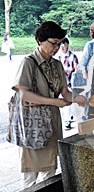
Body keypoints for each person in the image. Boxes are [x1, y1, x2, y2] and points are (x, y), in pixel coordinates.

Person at [12, 21, 87, 189]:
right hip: (32, 126)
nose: (57, 47)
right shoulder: (28, 63)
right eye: (53, 43)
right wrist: (54, 102)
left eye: (59, 43)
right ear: (40, 41)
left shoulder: (57, 64)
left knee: (50, 171)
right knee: (30, 177)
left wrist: (77, 98)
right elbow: (23, 94)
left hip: (52, 123)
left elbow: (64, 92)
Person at [56, 37, 79, 129]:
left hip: (71, 82)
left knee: (70, 100)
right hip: (61, 83)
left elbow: (77, 70)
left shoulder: (73, 56)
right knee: (66, 101)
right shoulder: (57, 57)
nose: (62, 47)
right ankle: (68, 119)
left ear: (67, 45)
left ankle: (69, 119)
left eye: (64, 45)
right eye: (60, 45)